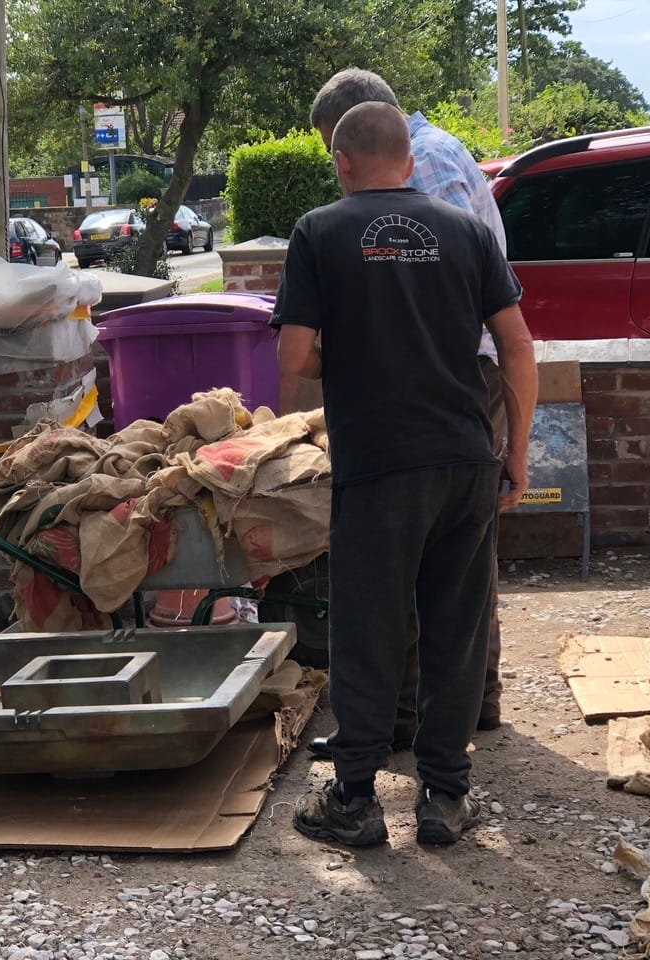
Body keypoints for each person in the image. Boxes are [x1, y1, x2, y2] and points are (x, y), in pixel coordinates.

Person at [273, 102, 537, 845]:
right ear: (410, 161)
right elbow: (516, 347)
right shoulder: (466, 232)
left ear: (342, 162)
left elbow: (294, 358)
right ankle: (445, 799)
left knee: (370, 625)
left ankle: (354, 800)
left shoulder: (318, 232)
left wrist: (354, 359)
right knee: (457, 626)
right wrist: (514, 454)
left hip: (379, 464)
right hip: (462, 457)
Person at [301, 69, 510, 761]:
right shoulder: (435, 156)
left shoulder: (430, 169)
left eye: (337, 154)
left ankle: (400, 724)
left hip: (444, 379)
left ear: (348, 142)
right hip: (462, 383)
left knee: (412, 571)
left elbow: (423, 289)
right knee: (458, 566)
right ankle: (447, 739)